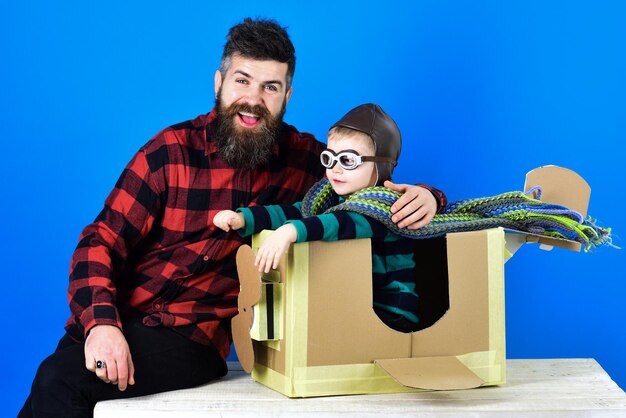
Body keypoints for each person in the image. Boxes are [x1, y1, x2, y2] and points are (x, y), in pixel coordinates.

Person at [19, 18, 446, 417]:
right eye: (243, 81)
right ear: (220, 82)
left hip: (191, 337)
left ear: (287, 96)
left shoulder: (311, 163)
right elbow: (101, 241)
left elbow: (374, 191)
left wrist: (430, 197)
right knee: (53, 380)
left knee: (63, 382)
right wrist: (102, 324)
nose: (254, 100)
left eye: (270, 87)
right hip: (119, 315)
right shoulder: (169, 152)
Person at [214, 103, 443, 332]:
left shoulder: (384, 208)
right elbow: (297, 211)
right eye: (329, 158)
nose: (335, 169)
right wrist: (245, 218)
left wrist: (290, 231)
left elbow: (341, 223)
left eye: (347, 161)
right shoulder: (330, 198)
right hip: (357, 302)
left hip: (390, 314)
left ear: (381, 166)